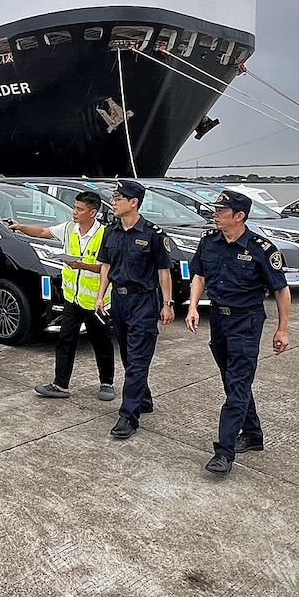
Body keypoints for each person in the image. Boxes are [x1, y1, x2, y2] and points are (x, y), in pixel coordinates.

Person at [185, 189, 291, 475]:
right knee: (234, 381)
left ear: (240, 216)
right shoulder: (209, 242)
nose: (215, 214)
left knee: (238, 384)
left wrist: (282, 329)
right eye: (216, 210)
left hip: (247, 322)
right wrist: (193, 307)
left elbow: (281, 290)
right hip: (218, 319)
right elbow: (200, 275)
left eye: (222, 211)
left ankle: (224, 451)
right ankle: (253, 434)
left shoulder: (261, 249)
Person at [8, 191, 115, 402]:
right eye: (74, 208)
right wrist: (20, 226)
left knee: (101, 343)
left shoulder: (105, 235)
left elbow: (108, 268)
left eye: (79, 209)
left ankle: (107, 383)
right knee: (65, 340)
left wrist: (81, 265)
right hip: (72, 298)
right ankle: (61, 384)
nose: (74, 212)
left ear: (93, 213)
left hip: (96, 301)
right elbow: (42, 231)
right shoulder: (68, 229)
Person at [92, 181, 174, 439]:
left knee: (138, 360)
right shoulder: (111, 232)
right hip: (119, 301)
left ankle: (129, 416)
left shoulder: (153, 234)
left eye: (118, 198)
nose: (113, 202)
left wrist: (167, 304)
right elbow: (105, 265)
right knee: (128, 356)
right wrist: (100, 296)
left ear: (133, 202)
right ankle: (143, 399)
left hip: (143, 302)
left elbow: (164, 271)